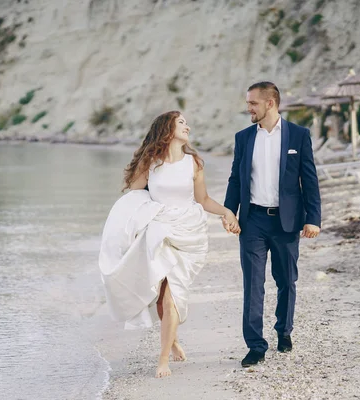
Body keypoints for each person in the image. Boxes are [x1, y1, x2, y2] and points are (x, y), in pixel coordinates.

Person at [99, 111, 240, 378]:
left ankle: (163, 358)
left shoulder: (194, 163)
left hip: (189, 233)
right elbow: (134, 195)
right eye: (182, 122)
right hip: (160, 230)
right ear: (168, 129)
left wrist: (227, 212)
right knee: (162, 294)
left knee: (172, 294)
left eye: (187, 122)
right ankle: (170, 342)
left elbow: (203, 199)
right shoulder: (151, 163)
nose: (188, 126)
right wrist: (125, 230)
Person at [223, 81, 321, 367]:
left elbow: (309, 179)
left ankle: (284, 331)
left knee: (286, 281)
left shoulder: (298, 136)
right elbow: (235, 179)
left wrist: (313, 218)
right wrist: (230, 212)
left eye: (253, 103)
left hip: (287, 222)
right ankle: (255, 345)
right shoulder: (243, 138)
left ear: (270, 103)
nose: (248, 108)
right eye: (248, 102)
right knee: (253, 285)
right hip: (252, 221)